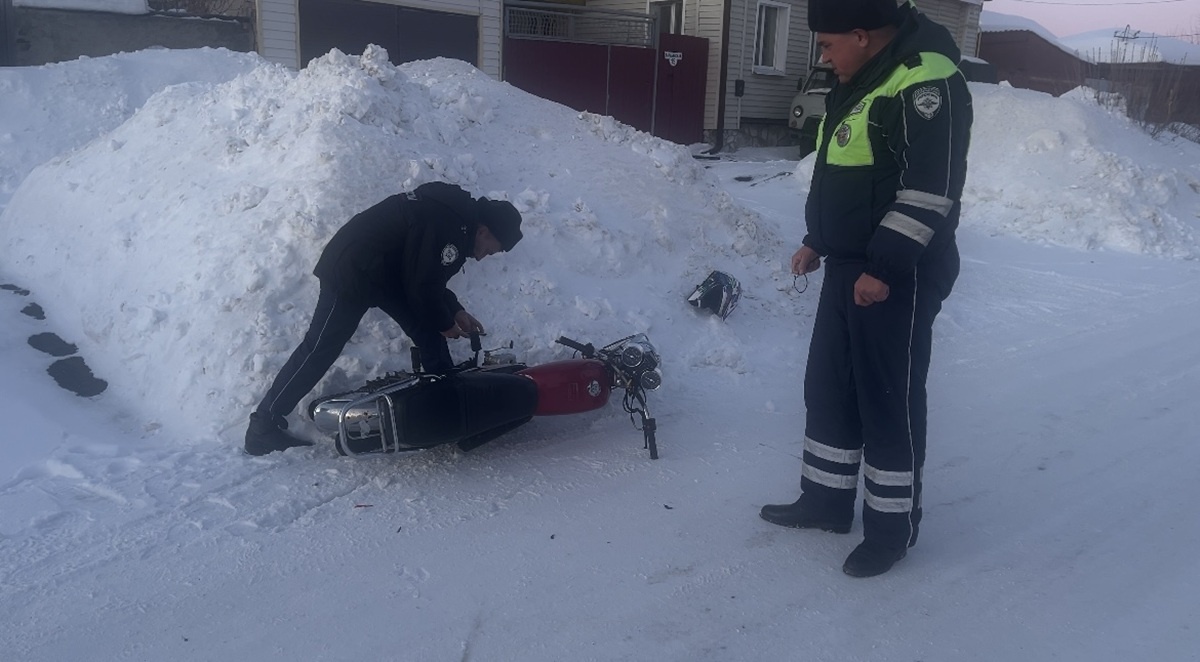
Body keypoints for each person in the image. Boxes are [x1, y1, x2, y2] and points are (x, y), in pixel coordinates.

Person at [760, 0, 973, 577]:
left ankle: (890, 531)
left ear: (860, 35)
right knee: (830, 386)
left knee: (886, 398)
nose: (824, 58)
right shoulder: (866, 80)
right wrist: (818, 240)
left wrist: (884, 267)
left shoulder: (925, 81)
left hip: (897, 272)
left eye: (828, 45)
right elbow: (851, 174)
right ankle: (826, 502)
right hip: (849, 265)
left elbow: (931, 189)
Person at [244, 181, 523, 456]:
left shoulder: (456, 224)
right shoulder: (450, 226)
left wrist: (455, 311)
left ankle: (446, 403)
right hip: (352, 268)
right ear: (483, 231)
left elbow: (428, 277)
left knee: (427, 329)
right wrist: (445, 322)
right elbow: (422, 286)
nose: (483, 257)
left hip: (385, 272)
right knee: (321, 346)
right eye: (489, 250)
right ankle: (263, 425)